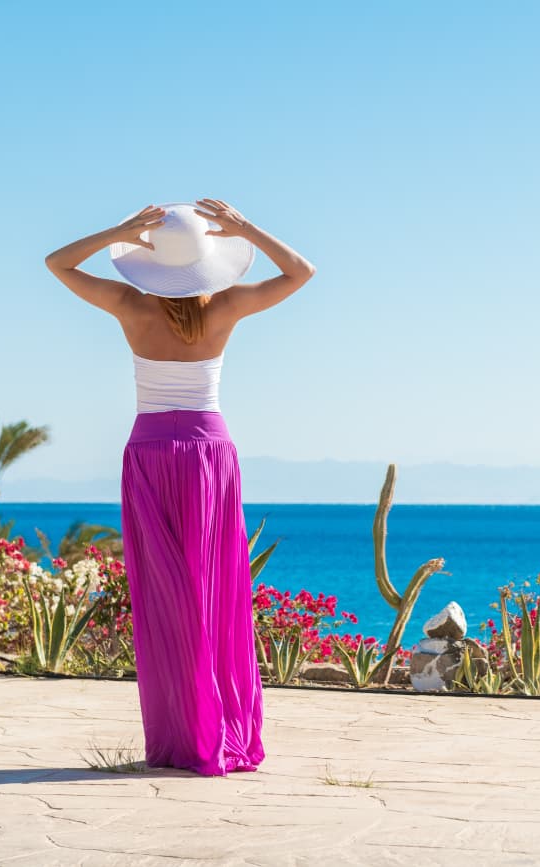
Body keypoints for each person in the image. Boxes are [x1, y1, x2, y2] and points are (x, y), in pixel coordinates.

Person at [44, 199, 316, 775]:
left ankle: (181, 734)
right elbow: (301, 272)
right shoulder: (228, 306)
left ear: (153, 262)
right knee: (212, 593)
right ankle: (217, 729)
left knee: (166, 599)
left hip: (149, 453)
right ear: (208, 260)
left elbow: (57, 263)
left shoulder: (128, 304)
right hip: (208, 455)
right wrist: (246, 229)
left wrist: (118, 232)